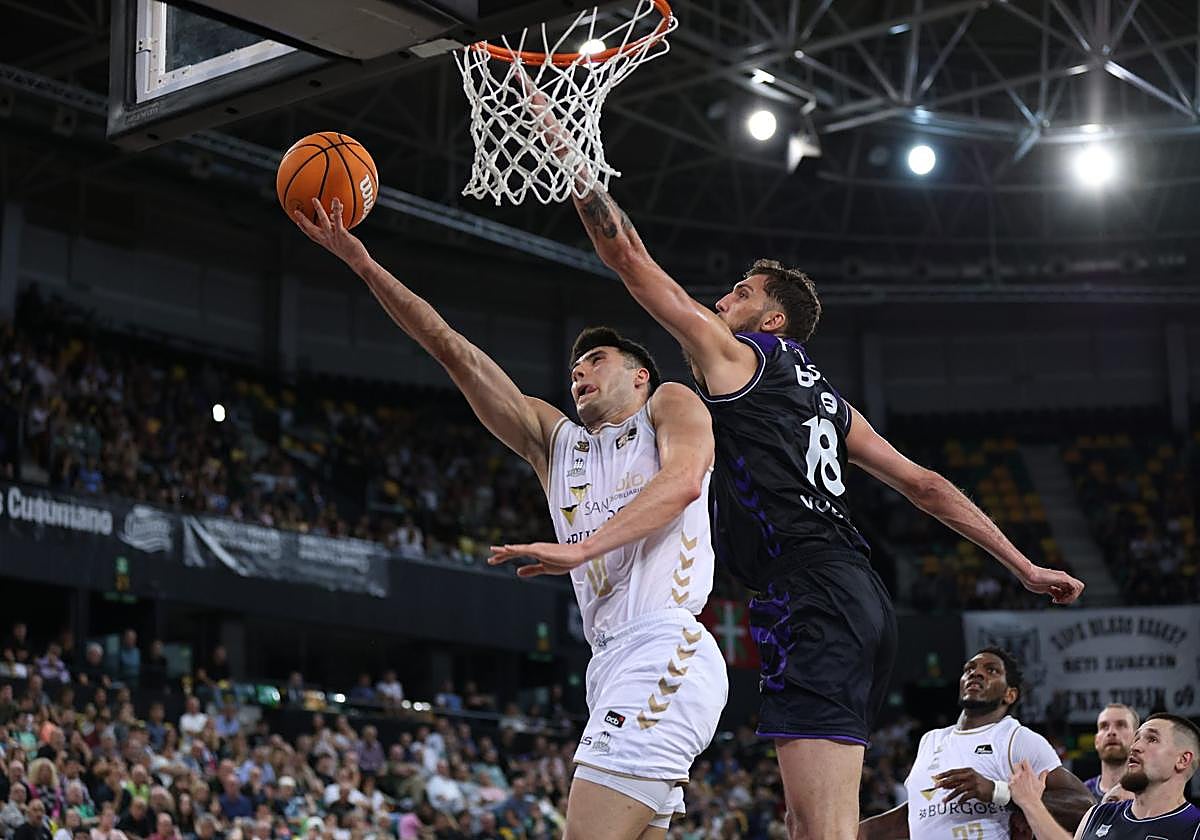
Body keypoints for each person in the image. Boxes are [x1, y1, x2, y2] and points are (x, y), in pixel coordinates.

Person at [539, 101, 1086, 839]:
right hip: (852, 596)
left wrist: (570, 154)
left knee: (821, 831)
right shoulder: (831, 403)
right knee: (810, 825)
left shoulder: (739, 362)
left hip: (812, 595)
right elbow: (925, 485)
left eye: (743, 291)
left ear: (772, 323)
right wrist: (1021, 565)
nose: (725, 296)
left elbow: (631, 264)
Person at [293, 196, 728, 839]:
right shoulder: (553, 443)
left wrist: (581, 550)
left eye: (597, 361)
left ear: (639, 375)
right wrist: (362, 263)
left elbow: (685, 482)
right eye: (574, 366)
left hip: (666, 646)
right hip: (608, 665)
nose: (578, 371)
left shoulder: (669, 403)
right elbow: (451, 348)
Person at [858, 648, 1093, 840]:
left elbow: (1084, 807)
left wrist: (997, 792)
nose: (976, 673)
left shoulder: (1016, 738)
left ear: (1010, 695)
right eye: (969, 669)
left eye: (991, 670)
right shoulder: (931, 740)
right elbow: (916, 816)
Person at [1010, 713, 1200, 840]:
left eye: (1152, 739)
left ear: (1183, 760)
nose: (1135, 747)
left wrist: (1031, 804)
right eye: (1136, 738)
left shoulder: (1194, 827)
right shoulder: (1097, 814)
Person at [1084, 704, 1139, 802]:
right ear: (1096, 741)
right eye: (1104, 726)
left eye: (1121, 725)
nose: (1111, 732)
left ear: (1136, 739)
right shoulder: (1082, 794)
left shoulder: (1149, 793)